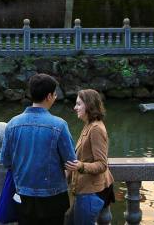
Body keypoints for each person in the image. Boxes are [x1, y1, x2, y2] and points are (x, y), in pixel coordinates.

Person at [1, 74, 77, 225]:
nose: (55, 97)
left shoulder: (12, 124)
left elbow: (5, 160)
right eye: (55, 94)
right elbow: (70, 161)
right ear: (49, 96)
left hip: (23, 194)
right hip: (53, 196)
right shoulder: (59, 125)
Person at [65, 89, 115, 225]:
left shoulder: (96, 129)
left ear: (89, 105)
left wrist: (81, 166)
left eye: (78, 104)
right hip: (84, 191)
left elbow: (102, 164)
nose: (75, 108)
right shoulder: (88, 125)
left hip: (91, 193)